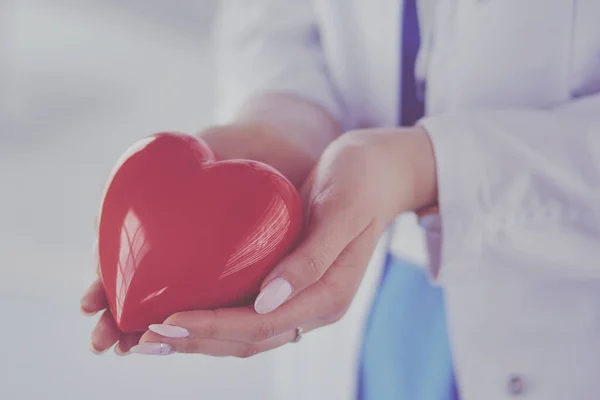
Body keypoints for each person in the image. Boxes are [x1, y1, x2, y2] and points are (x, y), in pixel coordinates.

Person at [80, 0, 600, 399]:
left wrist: (423, 167)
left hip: (563, 309)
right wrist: (283, 120)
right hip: (352, 276)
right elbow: (274, 23)